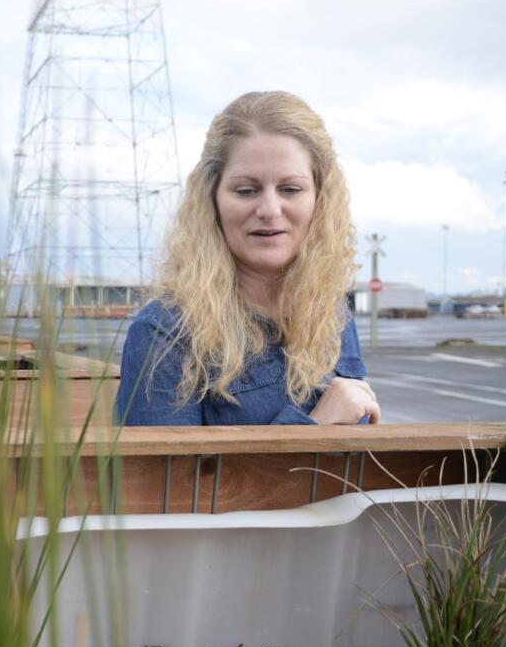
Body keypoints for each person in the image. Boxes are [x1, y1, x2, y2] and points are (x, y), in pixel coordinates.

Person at [115, 90, 379, 426]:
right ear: (212, 199)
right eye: (246, 190)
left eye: (291, 189)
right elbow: (164, 480)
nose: (269, 210)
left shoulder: (331, 313)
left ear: (320, 200)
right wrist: (315, 426)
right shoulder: (165, 333)